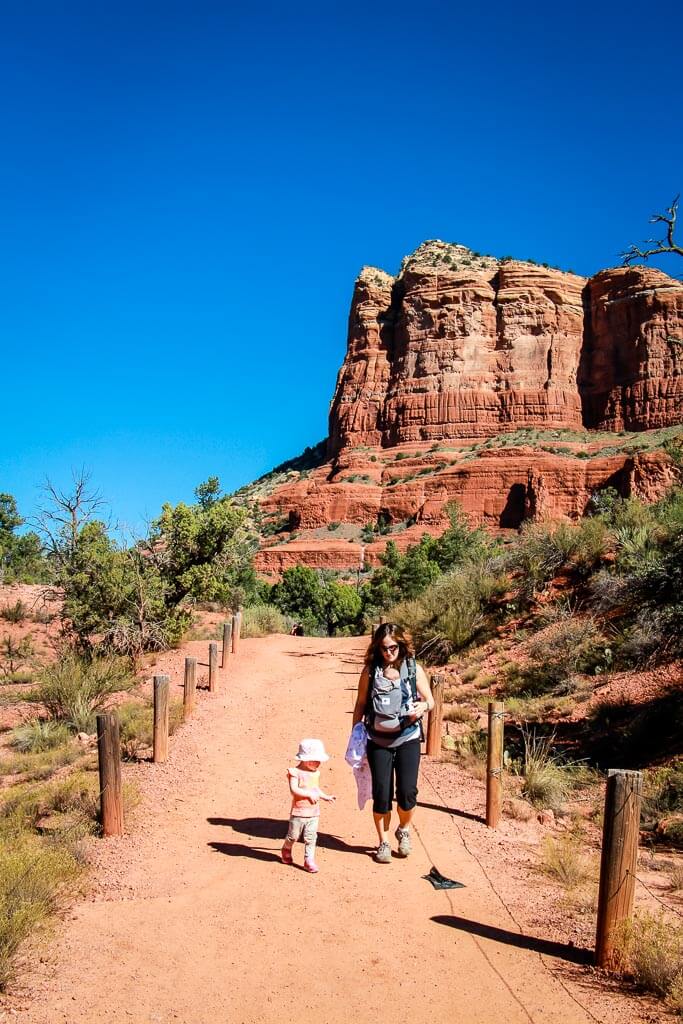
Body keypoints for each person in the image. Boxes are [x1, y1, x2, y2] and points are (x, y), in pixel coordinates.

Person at [352, 623, 433, 863]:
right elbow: (360, 704)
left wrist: (423, 706)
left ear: (402, 645)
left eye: (394, 647)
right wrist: (355, 736)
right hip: (378, 740)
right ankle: (384, 842)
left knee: (407, 792)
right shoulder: (369, 672)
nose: (389, 653)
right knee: (381, 794)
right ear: (377, 648)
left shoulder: (413, 669)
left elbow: (431, 701)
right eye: (384, 648)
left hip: (408, 737)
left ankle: (404, 830)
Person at [281, 738, 335, 873]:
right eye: (314, 760)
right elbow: (294, 789)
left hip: (314, 812)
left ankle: (309, 860)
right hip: (299, 812)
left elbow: (315, 789)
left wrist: (325, 796)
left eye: (319, 761)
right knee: (293, 835)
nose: (318, 763)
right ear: (304, 759)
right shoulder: (295, 772)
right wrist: (308, 795)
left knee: (311, 837)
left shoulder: (315, 773)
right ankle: (286, 848)